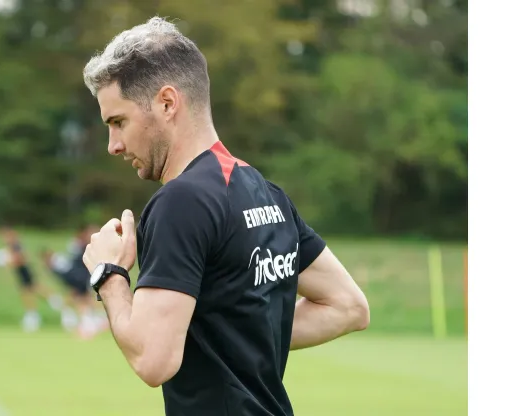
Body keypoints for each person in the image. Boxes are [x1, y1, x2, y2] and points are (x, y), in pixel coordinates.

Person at [80, 17, 370, 415]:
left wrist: (109, 274)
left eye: (118, 122)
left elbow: (153, 360)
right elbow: (348, 307)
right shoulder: (266, 193)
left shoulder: (179, 203)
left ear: (167, 103)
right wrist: (237, 330)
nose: (113, 145)